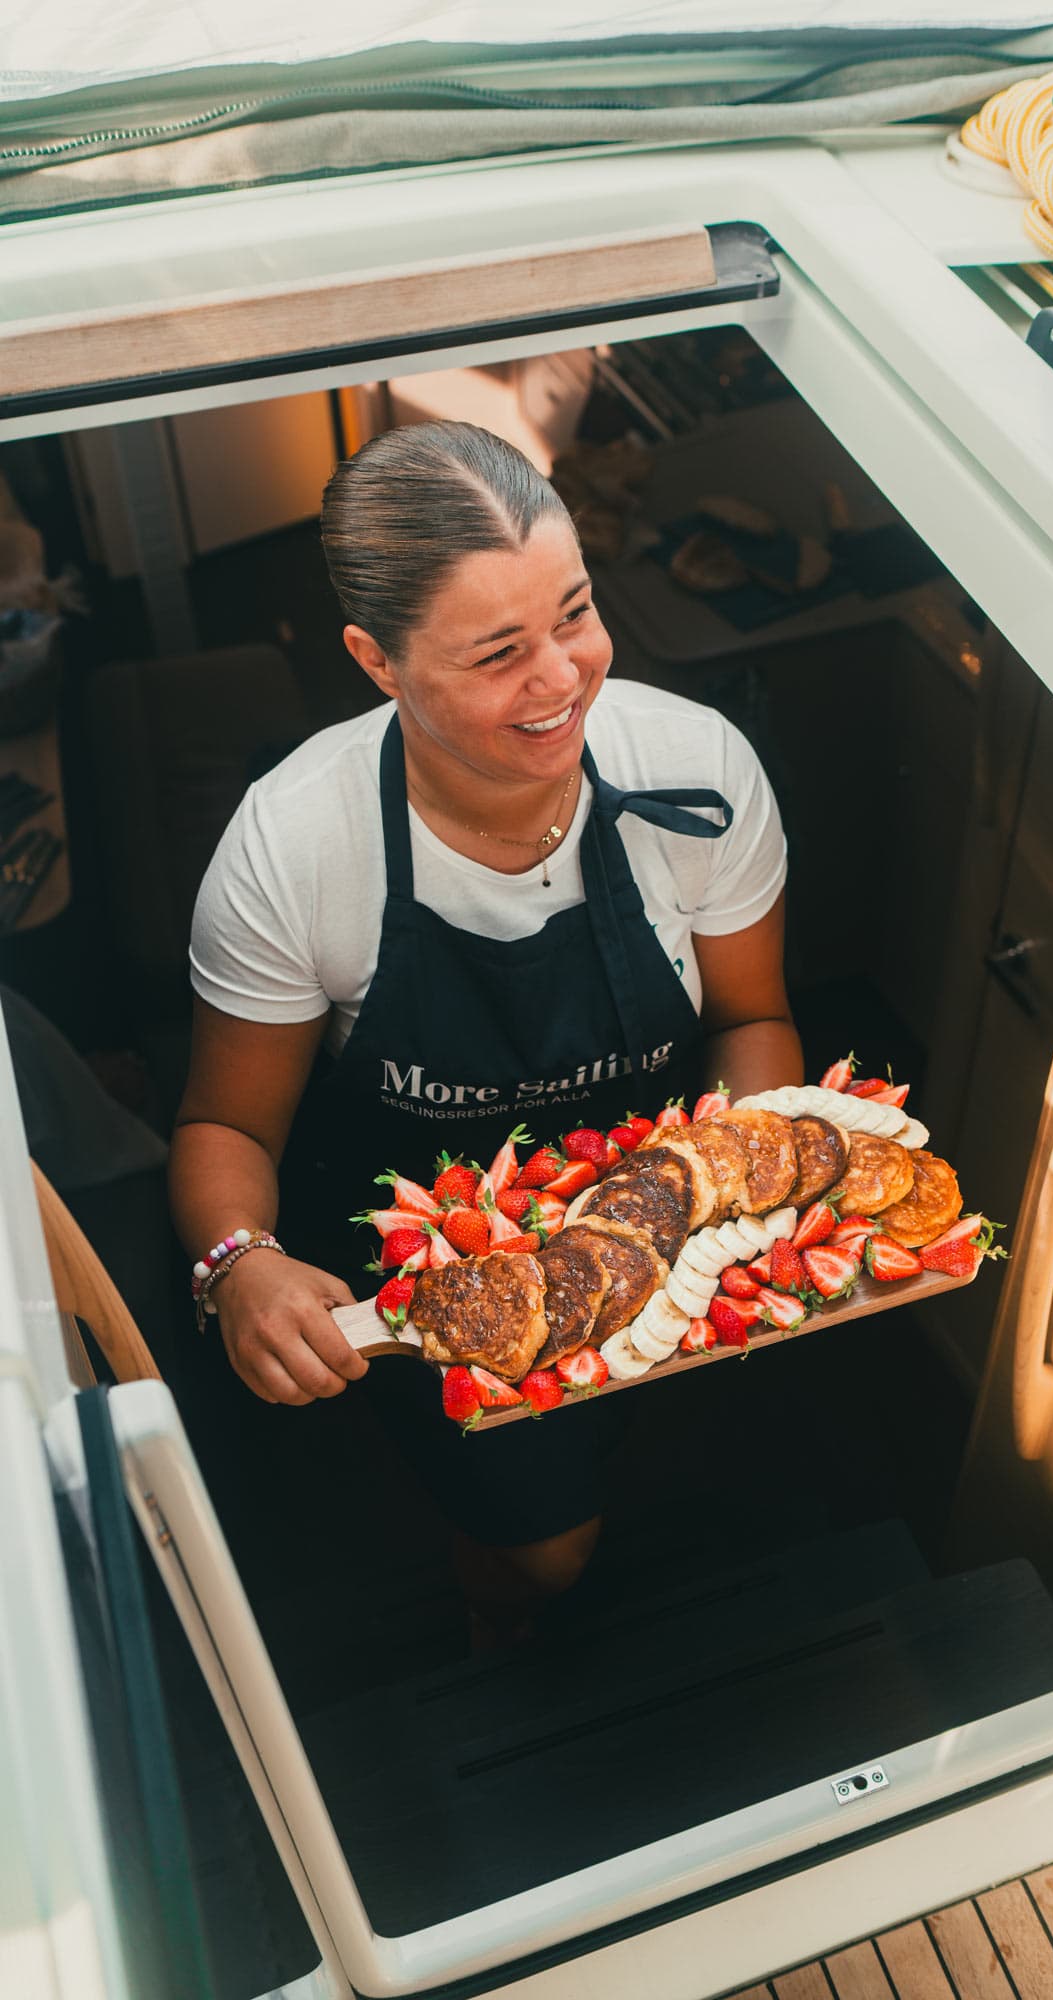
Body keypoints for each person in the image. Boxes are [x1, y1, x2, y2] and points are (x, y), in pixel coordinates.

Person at [169, 418, 802, 1641]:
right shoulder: (295, 844)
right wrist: (237, 1263)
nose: (562, 676)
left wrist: (738, 1192)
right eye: (499, 651)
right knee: (547, 1556)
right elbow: (220, 1123)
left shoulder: (695, 766)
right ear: (377, 661)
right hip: (434, 1270)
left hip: (669, 1225)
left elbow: (754, 1017)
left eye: (573, 613)